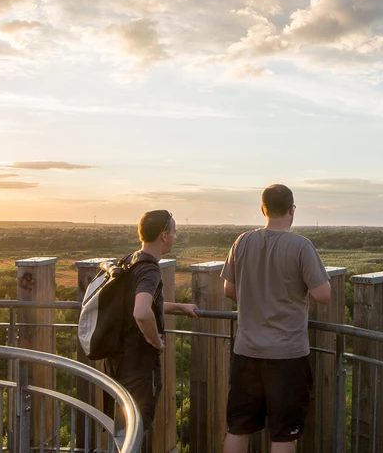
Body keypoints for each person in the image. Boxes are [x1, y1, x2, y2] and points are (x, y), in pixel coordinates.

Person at [221, 184, 331, 453]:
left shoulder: (242, 241)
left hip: (246, 351)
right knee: (282, 435)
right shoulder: (301, 246)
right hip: (287, 355)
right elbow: (323, 294)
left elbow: (229, 290)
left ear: (263, 209)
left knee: (238, 427)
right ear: (292, 210)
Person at [104, 209, 198, 445]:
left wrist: (177, 306)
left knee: (120, 426)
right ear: (164, 235)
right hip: (138, 365)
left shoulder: (130, 260)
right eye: (174, 232)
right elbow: (141, 312)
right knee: (134, 430)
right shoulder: (150, 269)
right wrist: (156, 341)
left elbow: (139, 305)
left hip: (118, 359)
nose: (175, 237)